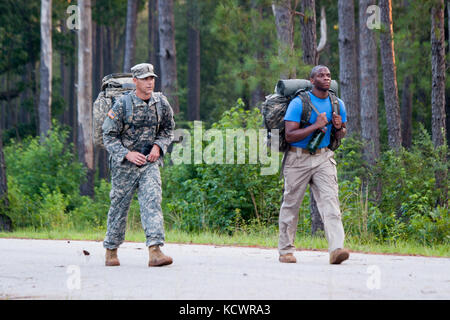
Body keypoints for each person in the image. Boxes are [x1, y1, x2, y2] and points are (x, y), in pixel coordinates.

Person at [102, 63, 175, 267]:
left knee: (152, 202)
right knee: (119, 207)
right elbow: (108, 136)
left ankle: (155, 251)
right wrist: (127, 154)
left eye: (152, 78)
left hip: (149, 162)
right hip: (124, 165)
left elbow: (168, 129)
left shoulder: (161, 103)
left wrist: (158, 147)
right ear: (135, 81)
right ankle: (111, 251)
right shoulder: (122, 105)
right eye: (145, 79)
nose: (149, 82)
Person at [278, 65, 350, 265]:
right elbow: (290, 135)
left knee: (331, 202)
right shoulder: (298, 103)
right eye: (321, 75)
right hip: (297, 158)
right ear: (312, 80)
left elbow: (341, 134)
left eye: (328, 75)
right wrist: (315, 126)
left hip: (324, 157)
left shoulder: (337, 103)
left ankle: (336, 249)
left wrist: (339, 128)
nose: (326, 78)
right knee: (291, 205)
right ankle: (286, 251)